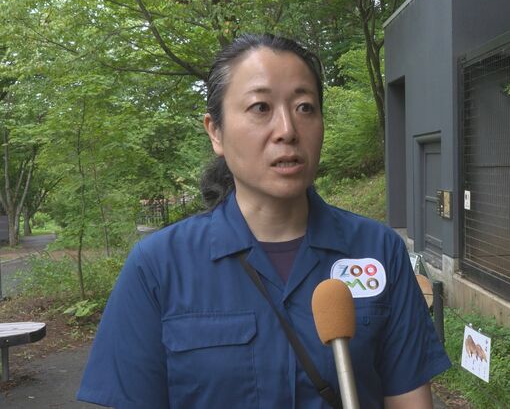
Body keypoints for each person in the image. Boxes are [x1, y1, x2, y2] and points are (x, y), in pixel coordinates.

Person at [77, 33, 451, 408]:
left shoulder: (379, 251)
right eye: (260, 107)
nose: (287, 130)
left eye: (305, 107)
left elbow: (409, 398)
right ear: (215, 131)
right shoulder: (157, 267)